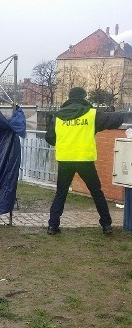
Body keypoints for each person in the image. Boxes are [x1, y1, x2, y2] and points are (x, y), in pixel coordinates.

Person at [45, 87, 130, 236]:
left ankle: (53, 225)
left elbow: (50, 138)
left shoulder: (57, 116)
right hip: (85, 159)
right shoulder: (91, 114)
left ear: (69, 98)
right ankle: (106, 225)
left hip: (65, 159)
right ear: (84, 97)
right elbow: (113, 120)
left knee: (61, 193)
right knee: (97, 192)